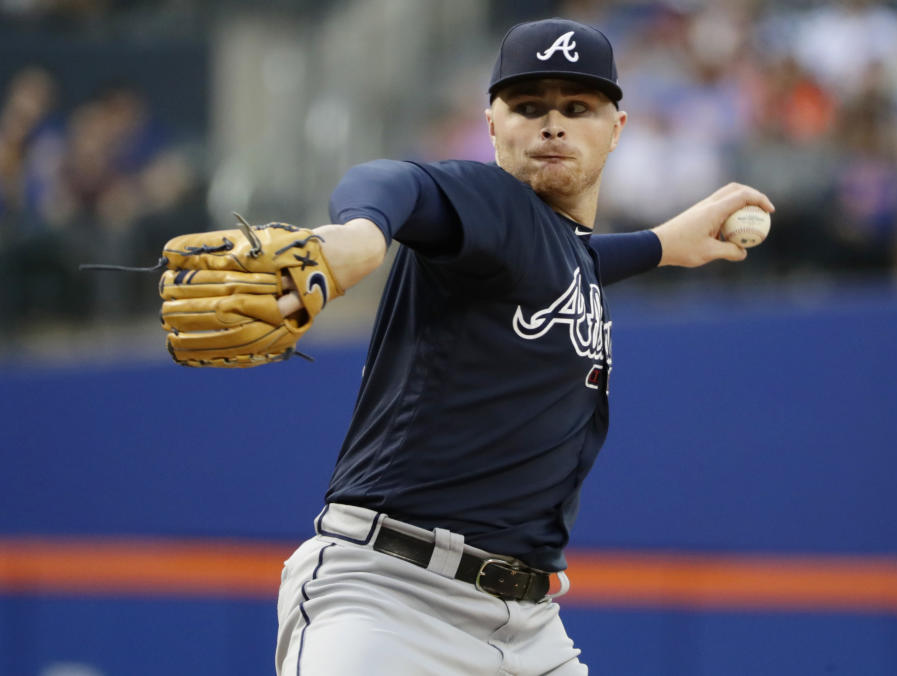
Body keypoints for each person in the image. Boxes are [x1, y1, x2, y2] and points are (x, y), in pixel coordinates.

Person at [273, 18, 774, 676]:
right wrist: (363, 235)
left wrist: (660, 244)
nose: (552, 124)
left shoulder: (559, 252)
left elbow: (572, 261)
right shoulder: (491, 202)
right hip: (390, 604)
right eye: (529, 106)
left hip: (529, 630)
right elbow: (396, 181)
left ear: (617, 128)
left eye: (577, 107)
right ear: (491, 124)